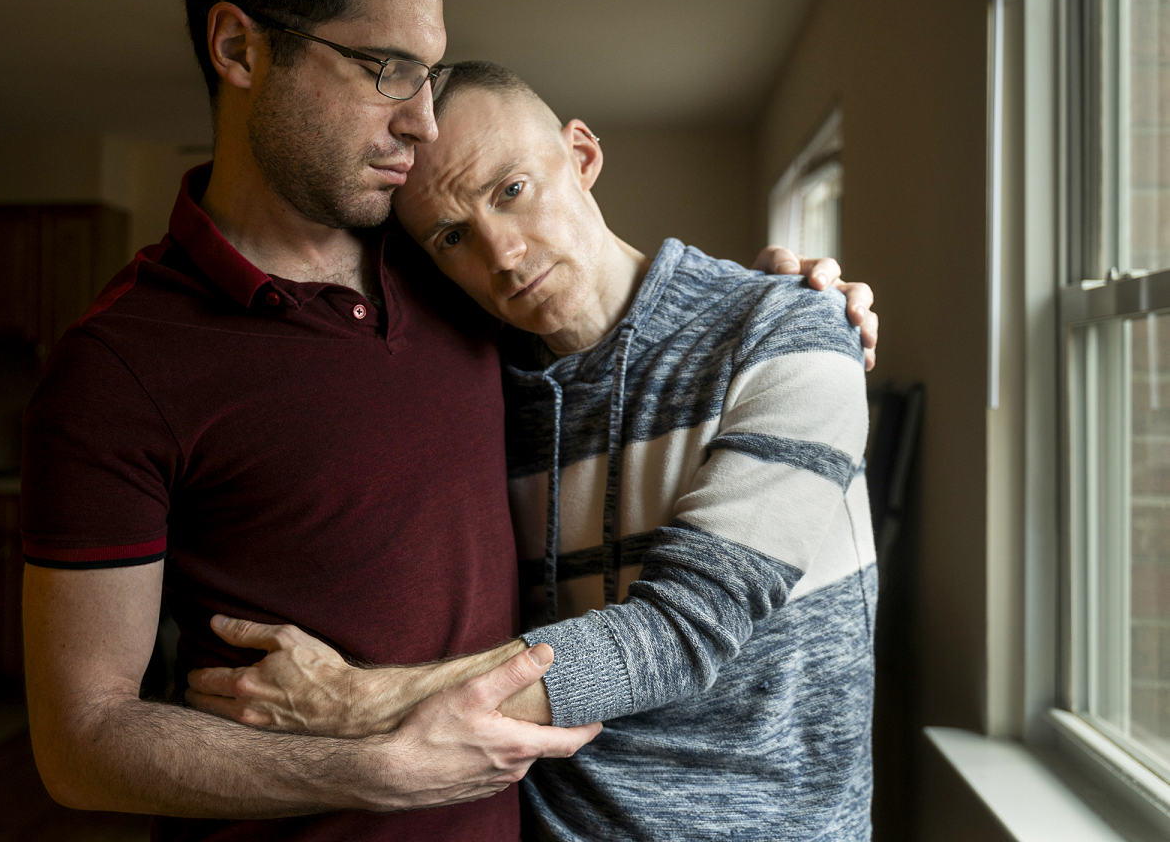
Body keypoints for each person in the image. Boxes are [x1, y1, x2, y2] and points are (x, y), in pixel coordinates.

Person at [22, 0, 875, 842]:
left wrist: (792, 301)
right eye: (386, 68)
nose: (421, 122)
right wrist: (368, 769)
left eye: (427, 77)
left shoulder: (451, 284)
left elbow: (678, 610)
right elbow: (79, 743)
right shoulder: (122, 362)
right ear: (238, 47)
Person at [185, 62, 876, 842]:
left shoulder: (790, 332)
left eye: (510, 190)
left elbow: (680, 636)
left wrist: (355, 703)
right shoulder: (485, 388)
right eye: (453, 236)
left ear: (580, 157)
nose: (504, 256)